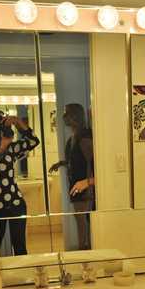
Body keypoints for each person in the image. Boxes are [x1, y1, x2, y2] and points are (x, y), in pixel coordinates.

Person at [0, 109, 40, 255]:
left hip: (16, 204)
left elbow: (34, 141)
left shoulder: (11, 148)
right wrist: (2, 147)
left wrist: (17, 122)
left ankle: (23, 270)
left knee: (20, 247)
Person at [48, 103, 94, 250]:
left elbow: (95, 164)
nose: (63, 117)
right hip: (76, 187)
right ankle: (84, 251)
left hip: (85, 190)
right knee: (80, 220)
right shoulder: (73, 138)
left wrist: (88, 182)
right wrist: (61, 164)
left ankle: (84, 252)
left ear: (75, 116)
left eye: (66, 113)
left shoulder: (85, 137)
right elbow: (74, 160)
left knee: (83, 221)